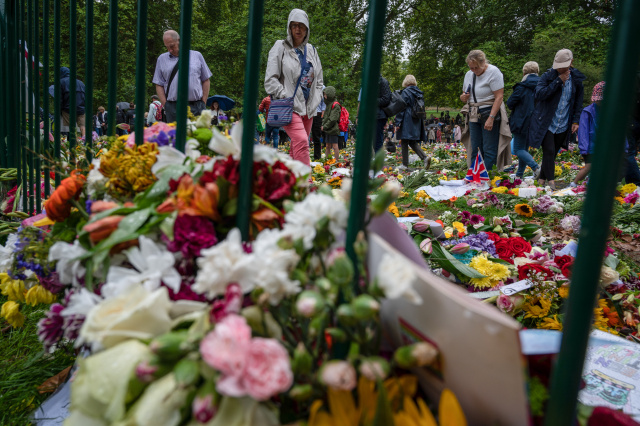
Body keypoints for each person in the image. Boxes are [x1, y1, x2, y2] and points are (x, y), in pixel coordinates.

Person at [265, 9, 324, 166]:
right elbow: (270, 80)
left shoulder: (312, 50)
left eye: (302, 26)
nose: (298, 29)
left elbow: (319, 81)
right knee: (302, 141)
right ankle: (306, 183)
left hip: (308, 107)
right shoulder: (280, 47)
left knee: (296, 146)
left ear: (307, 30)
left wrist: (316, 99)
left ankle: (289, 180)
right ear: (289, 27)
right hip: (289, 105)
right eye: (294, 25)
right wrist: (285, 95)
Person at [527, 49, 585, 189]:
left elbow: (578, 102)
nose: (560, 68)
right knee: (549, 151)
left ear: (571, 62)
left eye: (564, 65)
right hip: (545, 121)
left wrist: (576, 121)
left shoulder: (577, 79)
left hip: (564, 121)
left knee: (552, 153)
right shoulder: (548, 76)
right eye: (558, 65)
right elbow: (539, 94)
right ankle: (551, 183)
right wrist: (558, 81)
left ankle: (541, 180)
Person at [460, 50, 507, 172]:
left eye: (477, 68)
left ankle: (487, 176)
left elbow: (499, 97)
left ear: (483, 62)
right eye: (471, 68)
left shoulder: (493, 72)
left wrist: (491, 118)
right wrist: (463, 97)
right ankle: (474, 175)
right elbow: (465, 95)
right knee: (475, 147)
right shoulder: (468, 75)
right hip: (474, 112)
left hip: (489, 111)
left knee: (489, 148)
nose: (474, 71)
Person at [153, 30, 212, 123]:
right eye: (167, 47)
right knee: (174, 137)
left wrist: (203, 102)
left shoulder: (197, 55)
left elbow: (206, 80)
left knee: (197, 136)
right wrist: (166, 105)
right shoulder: (161, 59)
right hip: (173, 108)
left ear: (179, 40)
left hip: (196, 106)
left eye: (172, 46)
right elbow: (159, 84)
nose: (170, 50)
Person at [507, 61, 541, 179]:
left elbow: (510, 103)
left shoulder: (521, 87)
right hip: (535, 122)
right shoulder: (542, 85)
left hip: (521, 122)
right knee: (524, 148)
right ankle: (519, 174)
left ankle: (536, 168)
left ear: (524, 72)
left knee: (518, 149)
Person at [394, 75, 431, 170]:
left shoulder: (405, 92)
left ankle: (405, 164)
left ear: (405, 82)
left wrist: (397, 122)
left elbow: (401, 108)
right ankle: (425, 157)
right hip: (417, 119)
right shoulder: (419, 92)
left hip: (407, 118)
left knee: (404, 141)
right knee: (412, 141)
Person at [356, 75, 391, 153]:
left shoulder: (383, 82)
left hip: (378, 116)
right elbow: (360, 102)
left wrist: (371, 100)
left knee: (377, 141)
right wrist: (358, 117)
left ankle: (378, 162)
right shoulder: (366, 84)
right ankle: (370, 160)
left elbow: (386, 99)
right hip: (367, 116)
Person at [59, 66, 86, 138]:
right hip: (81, 109)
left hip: (68, 108)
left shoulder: (61, 82)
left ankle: (72, 143)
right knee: (82, 126)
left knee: (69, 127)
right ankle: (83, 141)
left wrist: (60, 109)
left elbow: (60, 98)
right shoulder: (81, 83)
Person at [322, 86, 341, 161]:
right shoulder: (328, 104)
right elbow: (325, 117)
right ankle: (328, 160)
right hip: (328, 128)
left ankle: (336, 161)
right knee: (327, 145)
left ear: (330, 94)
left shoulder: (335, 105)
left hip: (333, 128)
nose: (324, 96)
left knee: (335, 146)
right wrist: (323, 124)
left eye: (325, 94)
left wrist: (325, 126)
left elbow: (333, 119)